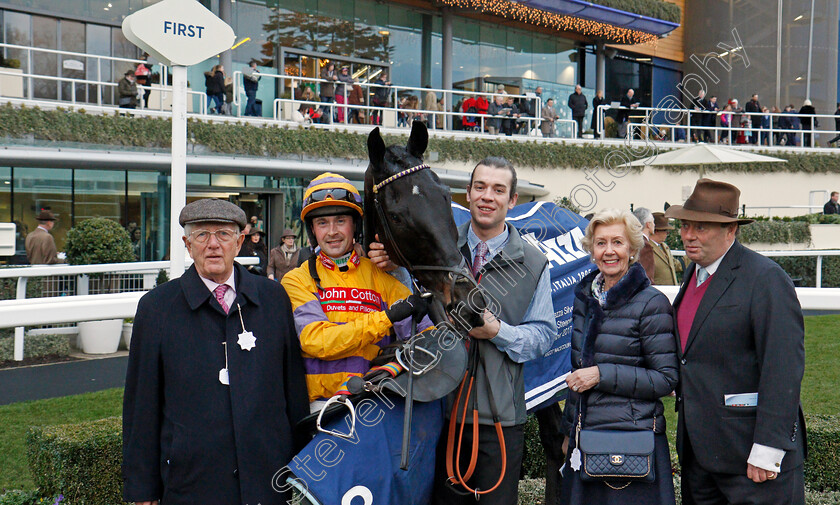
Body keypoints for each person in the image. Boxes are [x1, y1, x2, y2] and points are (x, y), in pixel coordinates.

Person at [122, 198, 309, 505]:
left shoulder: (273, 299)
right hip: (192, 482)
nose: (213, 245)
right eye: (202, 235)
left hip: (269, 479)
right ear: (187, 244)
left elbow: (293, 390)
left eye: (223, 234)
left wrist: (304, 467)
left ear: (239, 242)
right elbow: (142, 404)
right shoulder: (157, 309)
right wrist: (142, 487)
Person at [664, 179, 806, 505]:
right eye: (685, 225)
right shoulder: (693, 273)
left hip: (752, 460)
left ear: (731, 231)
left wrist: (768, 448)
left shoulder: (766, 279)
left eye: (701, 227)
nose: (688, 235)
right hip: (700, 458)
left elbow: (783, 365)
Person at [428, 157, 555, 504]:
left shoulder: (533, 263)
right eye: (480, 187)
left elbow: (543, 337)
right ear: (467, 194)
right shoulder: (439, 253)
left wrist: (498, 332)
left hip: (500, 421)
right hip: (440, 414)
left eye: (499, 190)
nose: (488, 196)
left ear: (512, 200)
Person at [280, 173, 431, 410]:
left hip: (375, 403)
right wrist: (386, 318)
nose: (332, 232)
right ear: (312, 230)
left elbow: (424, 340)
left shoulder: (383, 277)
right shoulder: (297, 280)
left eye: (341, 220)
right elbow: (318, 341)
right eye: (322, 223)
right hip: (319, 409)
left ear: (355, 225)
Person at [559, 208, 678, 505]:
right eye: (601, 243)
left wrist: (602, 374)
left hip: (631, 443)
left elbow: (665, 379)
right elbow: (579, 372)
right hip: (586, 438)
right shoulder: (585, 298)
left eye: (617, 242)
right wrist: (569, 430)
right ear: (591, 249)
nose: (609, 251)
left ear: (633, 249)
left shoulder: (651, 303)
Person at [650, 212, 679, 285]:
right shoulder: (646, 248)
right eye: (665, 230)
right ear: (656, 231)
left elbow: (674, 265)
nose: (667, 233)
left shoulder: (665, 247)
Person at [631, 207, 656, 283]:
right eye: (653, 222)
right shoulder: (644, 245)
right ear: (648, 225)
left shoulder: (632, 241)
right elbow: (647, 275)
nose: (654, 225)